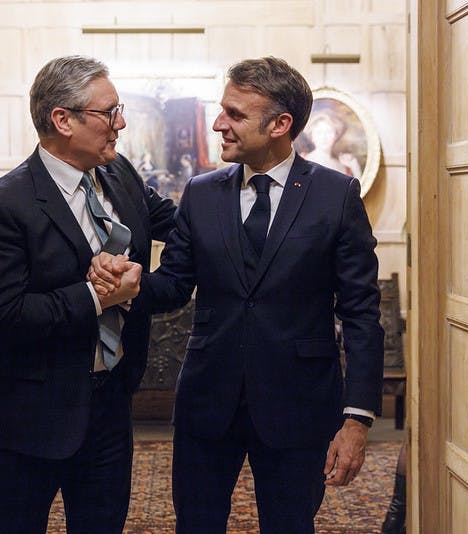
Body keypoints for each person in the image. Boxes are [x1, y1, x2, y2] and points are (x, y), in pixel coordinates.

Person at [91, 56, 384, 533]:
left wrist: (357, 419)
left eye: (235, 114)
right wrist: (131, 283)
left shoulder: (337, 195)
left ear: (280, 124)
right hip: (207, 402)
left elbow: (362, 315)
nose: (218, 124)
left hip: (300, 405)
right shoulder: (202, 193)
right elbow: (174, 285)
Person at [0, 55, 176, 534]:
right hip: (26, 420)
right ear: (62, 119)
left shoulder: (119, 173)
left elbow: (180, 226)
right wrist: (96, 296)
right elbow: (3, 318)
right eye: (109, 113)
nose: (120, 123)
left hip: (108, 409)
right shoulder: (1, 205)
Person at [301, 111, 363, 179]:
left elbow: (357, 189)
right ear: (312, 136)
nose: (324, 137)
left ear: (336, 135)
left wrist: (355, 167)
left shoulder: (343, 165)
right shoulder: (302, 160)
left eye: (329, 132)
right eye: (318, 132)